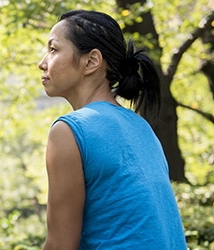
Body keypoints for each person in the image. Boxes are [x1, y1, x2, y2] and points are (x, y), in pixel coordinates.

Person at [38, 10, 187, 250]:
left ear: (91, 61)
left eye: (53, 49)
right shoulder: (142, 127)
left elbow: (60, 246)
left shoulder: (69, 131)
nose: (42, 62)